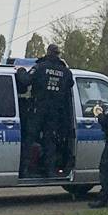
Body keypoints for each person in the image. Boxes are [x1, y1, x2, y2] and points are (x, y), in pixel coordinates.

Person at [27, 44, 74, 177]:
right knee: (50, 141)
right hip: (55, 113)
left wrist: (20, 71)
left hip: (38, 109)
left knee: (30, 138)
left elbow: (25, 80)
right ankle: (50, 170)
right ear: (58, 54)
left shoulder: (40, 67)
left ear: (47, 53)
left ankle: (27, 169)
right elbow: (71, 83)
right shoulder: (65, 71)